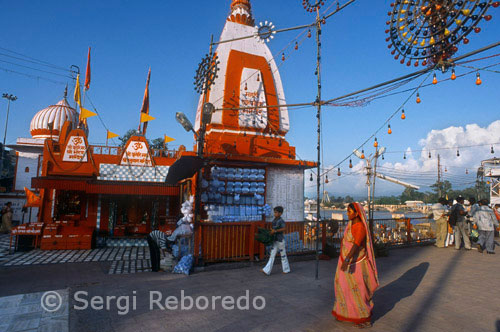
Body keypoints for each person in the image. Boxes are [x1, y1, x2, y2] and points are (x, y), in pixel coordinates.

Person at [332, 202, 379, 328]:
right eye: (347, 211)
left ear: (357, 213)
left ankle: (364, 318)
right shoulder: (350, 224)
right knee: (341, 285)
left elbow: (356, 244)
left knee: (359, 290)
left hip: (356, 263)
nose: (347, 214)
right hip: (345, 260)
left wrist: (347, 260)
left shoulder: (360, 227)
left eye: (349, 212)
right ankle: (345, 312)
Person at [262, 206, 290, 275]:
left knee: (283, 255)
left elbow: (284, 229)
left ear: (280, 213)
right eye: (274, 212)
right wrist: (272, 231)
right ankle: (266, 270)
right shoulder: (274, 220)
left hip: (280, 241)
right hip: (275, 240)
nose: (274, 214)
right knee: (272, 255)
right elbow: (273, 229)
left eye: (276, 212)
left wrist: (275, 231)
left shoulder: (281, 221)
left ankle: (286, 270)